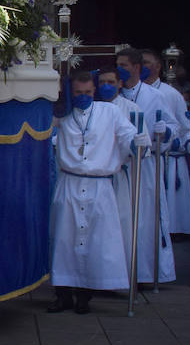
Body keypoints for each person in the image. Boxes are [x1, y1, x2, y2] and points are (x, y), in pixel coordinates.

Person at [48, 69, 151, 313]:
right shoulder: (62, 115)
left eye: (87, 92)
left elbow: (127, 134)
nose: (83, 97)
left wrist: (136, 142)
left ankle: (85, 297)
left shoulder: (110, 112)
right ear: (71, 93)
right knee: (64, 240)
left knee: (96, 242)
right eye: (78, 93)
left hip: (99, 185)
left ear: (93, 91)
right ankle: (63, 296)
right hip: (70, 183)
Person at [116, 48, 179, 285]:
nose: (120, 68)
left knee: (144, 220)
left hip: (145, 164)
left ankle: (144, 272)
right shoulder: (114, 97)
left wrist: (167, 132)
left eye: (124, 64)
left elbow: (173, 128)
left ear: (136, 67)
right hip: (121, 166)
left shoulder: (154, 96)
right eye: (117, 64)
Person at [141, 50, 190, 235]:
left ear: (158, 66)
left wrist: (188, 142)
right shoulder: (135, 92)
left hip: (168, 156)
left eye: (147, 62)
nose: (143, 66)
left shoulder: (171, 93)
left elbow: (184, 124)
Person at [96, 66, 143, 262]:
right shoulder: (93, 109)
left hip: (122, 176)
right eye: (102, 83)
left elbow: (143, 146)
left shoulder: (132, 109)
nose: (106, 86)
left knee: (122, 225)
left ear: (120, 84)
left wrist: (136, 144)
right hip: (98, 178)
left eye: (111, 83)